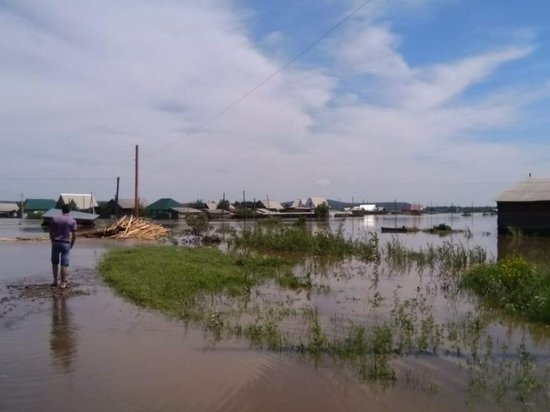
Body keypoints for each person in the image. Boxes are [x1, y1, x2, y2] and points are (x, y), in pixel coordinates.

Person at [49, 205, 77, 289]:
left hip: (55, 243)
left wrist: (52, 239)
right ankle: (62, 283)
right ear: (69, 210)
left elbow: (50, 230)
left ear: (62, 210)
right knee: (64, 264)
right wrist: (71, 244)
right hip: (66, 243)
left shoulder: (55, 219)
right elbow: (75, 235)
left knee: (55, 263)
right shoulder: (72, 220)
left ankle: (54, 281)